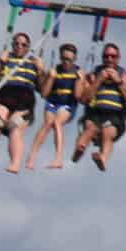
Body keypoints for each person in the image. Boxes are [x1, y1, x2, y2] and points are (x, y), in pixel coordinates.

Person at [0, 32, 42, 172]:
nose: (19, 47)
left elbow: (44, 90)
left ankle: (15, 164)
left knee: (16, 130)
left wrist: (42, 70)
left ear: (28, 47)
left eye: (23, 45)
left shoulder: (33, 63)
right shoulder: (5, 59)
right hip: (3, 94)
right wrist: (0, 61)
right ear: (12, 45)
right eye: (16, 44)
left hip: (24, 98)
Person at [73, 42, 126, 172]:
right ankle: (79, 149)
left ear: (118, 58)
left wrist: (118, 82)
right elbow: (83, 99)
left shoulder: (125, 76)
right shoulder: (93, 75)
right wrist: (98, 81)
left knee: (107, 133)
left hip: (115, 116)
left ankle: (102, 158)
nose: (109, 59)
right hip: (94, 113)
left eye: (113, 56)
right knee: (90, 129)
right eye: (106, 56)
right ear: (102, 57)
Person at [29, 42, 85, 171]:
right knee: (47, 123)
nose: (66, 62)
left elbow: (78, 96)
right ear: (60, 57)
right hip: (53, 101)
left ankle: (58, 159)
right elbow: (44, 94)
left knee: (57, 123)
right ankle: (31, 157)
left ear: (74, 59)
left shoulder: (79, 72)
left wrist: (79, 81)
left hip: (68, 104)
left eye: (69, 60)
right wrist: (50, 78)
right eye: (64, 59)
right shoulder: (54, 70)